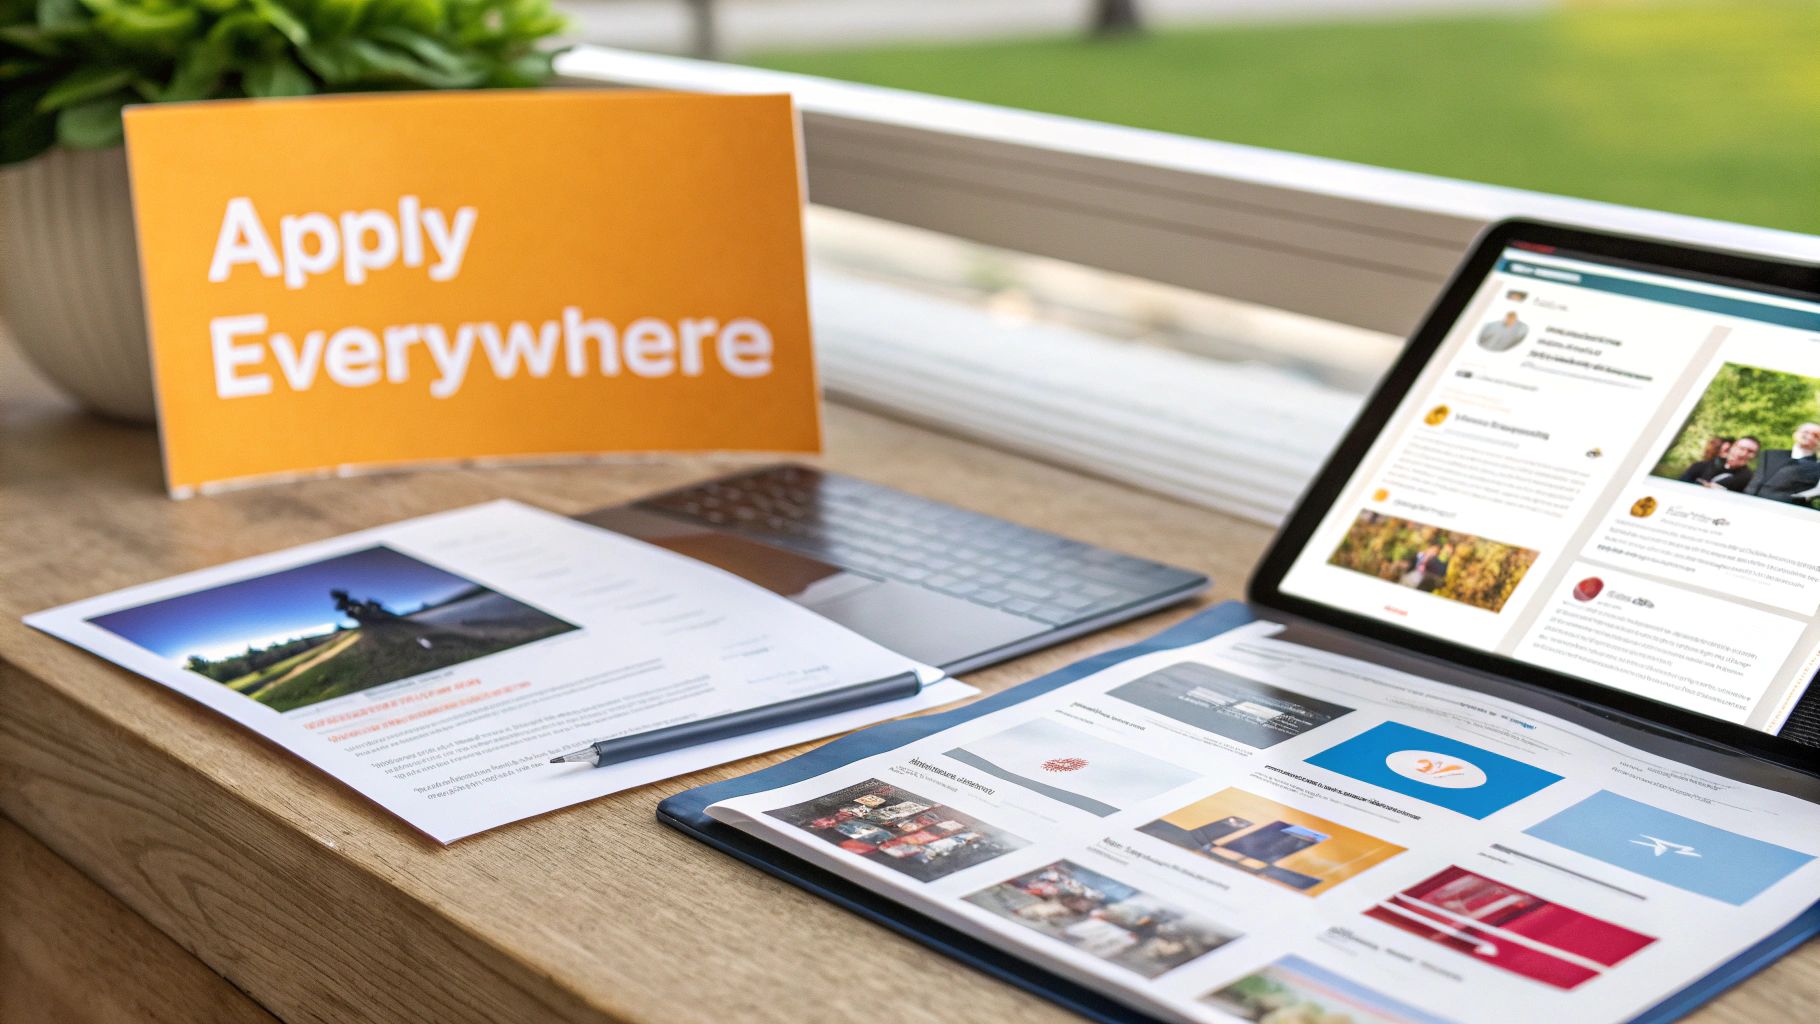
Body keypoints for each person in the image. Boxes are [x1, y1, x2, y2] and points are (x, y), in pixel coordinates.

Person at [1745, 422, 1820, 498]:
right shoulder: (1770, 454)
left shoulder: (1817, 467)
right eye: (1806, 432)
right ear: (1796, 434)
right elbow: (1755, 482)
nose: (1810, 436)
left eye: (1816, 435)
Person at [1686, 436, 1759, 492]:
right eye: (1741, 448)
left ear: (1755, 456)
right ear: (1732, 447)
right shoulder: (1701, 466)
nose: (1744, 453)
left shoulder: (1750, 480)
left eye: (1750, 451)